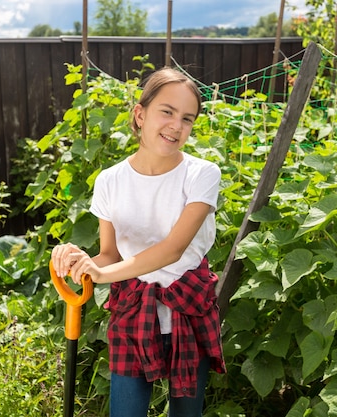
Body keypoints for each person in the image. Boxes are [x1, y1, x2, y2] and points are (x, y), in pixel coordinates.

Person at [51, 67, 226, 417]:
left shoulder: (202, 174)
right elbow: (109, 254)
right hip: (133, 310)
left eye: (187, 118)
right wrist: (81, 262)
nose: (177, 125)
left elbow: (173, 249)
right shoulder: (110, 181)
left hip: (188, 308)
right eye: (167, 111)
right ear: (140, 114)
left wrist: (105, 274)